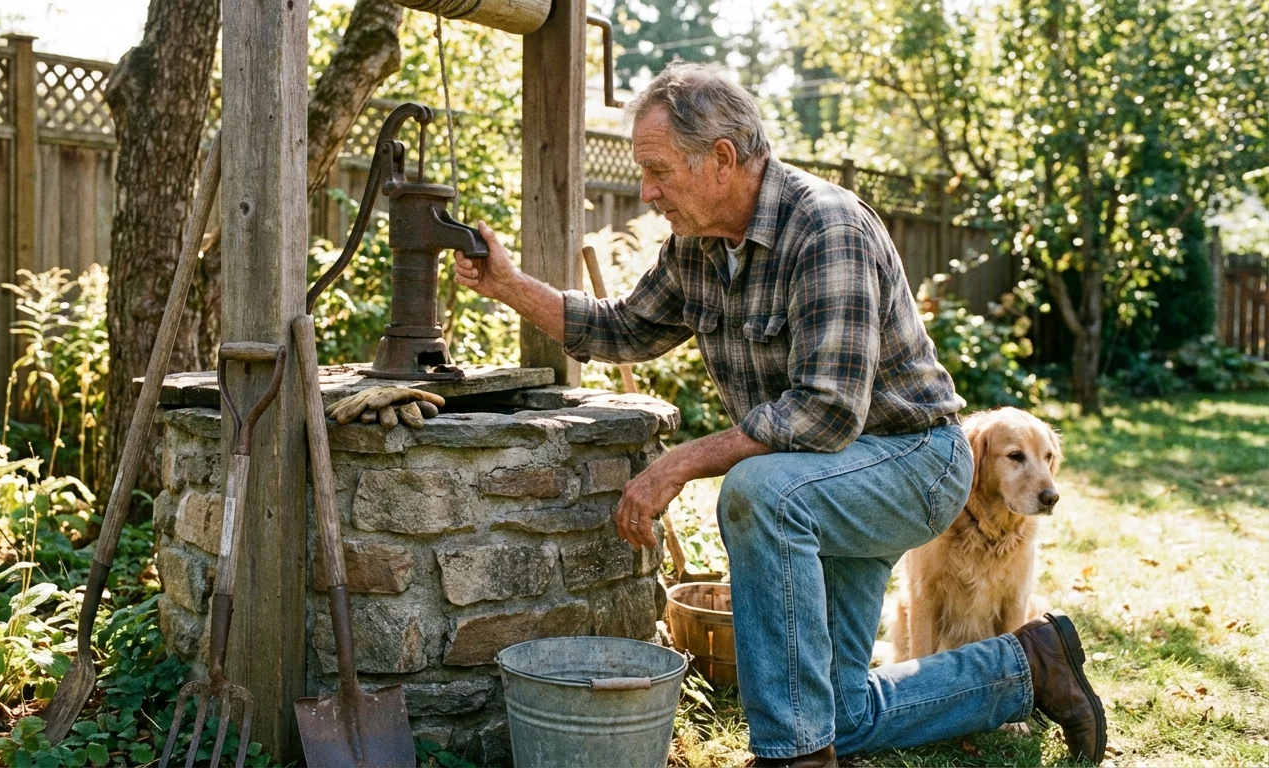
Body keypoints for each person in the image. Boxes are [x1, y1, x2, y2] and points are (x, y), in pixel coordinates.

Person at [452, 61, 1105, 767]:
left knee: (758, 494)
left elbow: (825, 414)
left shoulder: (826, 227)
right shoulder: (697, 248)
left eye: (660, 170)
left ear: (722, 160)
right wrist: (510, 285)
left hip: (912, 463)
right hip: (826, 480)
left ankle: (789, 757)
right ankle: (1030, 667)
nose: (647, 191)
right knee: (837, 711)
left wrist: (681, 462)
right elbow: (620, 330)